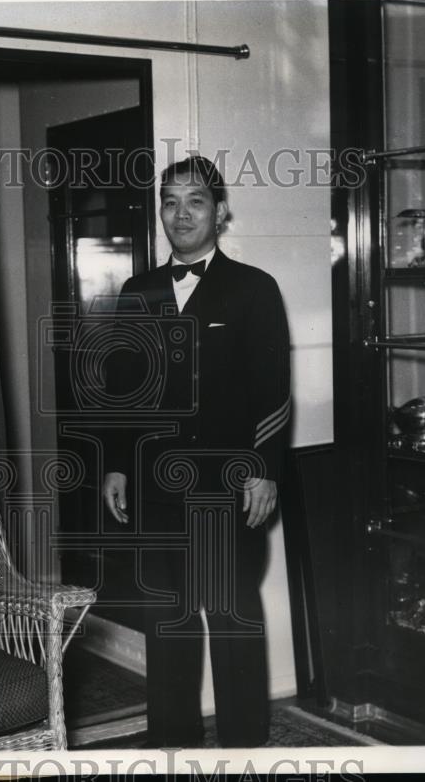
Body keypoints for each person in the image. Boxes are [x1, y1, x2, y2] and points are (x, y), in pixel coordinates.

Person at [100, 155, 290, 748]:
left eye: (196, 201)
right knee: (166, 623)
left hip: (227, 489)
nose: (181, 215)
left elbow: (274, 392)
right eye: (170, 202)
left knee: (232, 620)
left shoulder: (255, 289)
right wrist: (114, 462)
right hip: (158, 491)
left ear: (220, 211)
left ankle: (244, 749)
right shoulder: (139, 290)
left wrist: (263, 471)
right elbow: (123, 388)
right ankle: (171, 746)